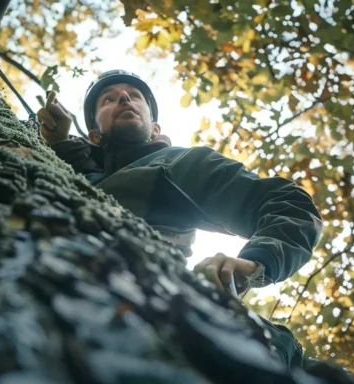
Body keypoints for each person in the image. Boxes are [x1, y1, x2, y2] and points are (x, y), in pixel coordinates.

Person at [36, 70, 324, 367]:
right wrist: (59, 143)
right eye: (109, 99)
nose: (124, 97)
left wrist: (255, 263)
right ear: (94, 134)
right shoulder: (70, 166)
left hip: (170, 318)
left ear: (155, 129)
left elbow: (288, 204)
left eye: (135, 96)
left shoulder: (180, 164)